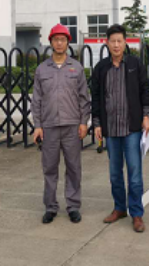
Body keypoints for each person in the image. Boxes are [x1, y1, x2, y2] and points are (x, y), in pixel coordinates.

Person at [91, 24, 149, 233]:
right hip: (111, 130)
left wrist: (146, 116)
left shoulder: (135, 64)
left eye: (120, 41)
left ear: (125, 43)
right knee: (115, 174)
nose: (116, 45)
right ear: (107, 43)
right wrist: (97, 123)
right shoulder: (101, 68)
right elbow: (96, 97)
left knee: (134, 173)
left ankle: (136, 213)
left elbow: (145, 90)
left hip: (132, 128)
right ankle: (119, 208)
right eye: (113, 41)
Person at [31, 23, 90, 224]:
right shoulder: (41, 70)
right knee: (49, 168)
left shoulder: (77, 68)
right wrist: (37, 125)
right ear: (50, 42)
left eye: (62, 39)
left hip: (72, 125)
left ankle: (73, 206)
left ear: (67, 42)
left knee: (73, 167)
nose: (59, 43)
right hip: (48, 127)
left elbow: (84, 98)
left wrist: (83, 122)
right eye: (56, 39)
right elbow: (37, 100)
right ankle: (50, 207)